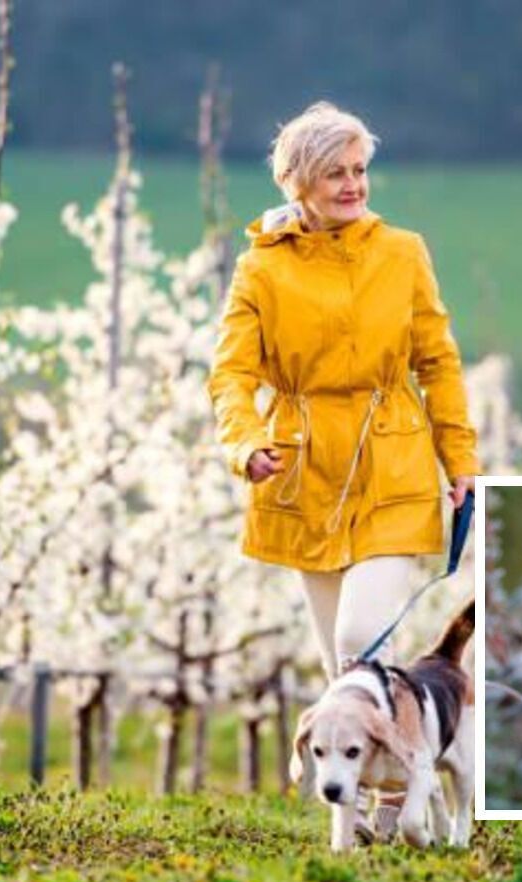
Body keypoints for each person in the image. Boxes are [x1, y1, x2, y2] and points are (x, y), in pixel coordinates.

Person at [208, 101, 478, 681]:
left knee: (359, 639)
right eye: (337, 173)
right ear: (298, 182)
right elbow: (231, 374)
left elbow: (438, 364)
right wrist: (245, 444)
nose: (354, 185)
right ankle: (402, 768)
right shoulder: (259, 270)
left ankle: (409, 757)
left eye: (359, 170)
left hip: (394, 468)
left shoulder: (403, 253)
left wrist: (460, 461)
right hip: (305, 479)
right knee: (343, 670)